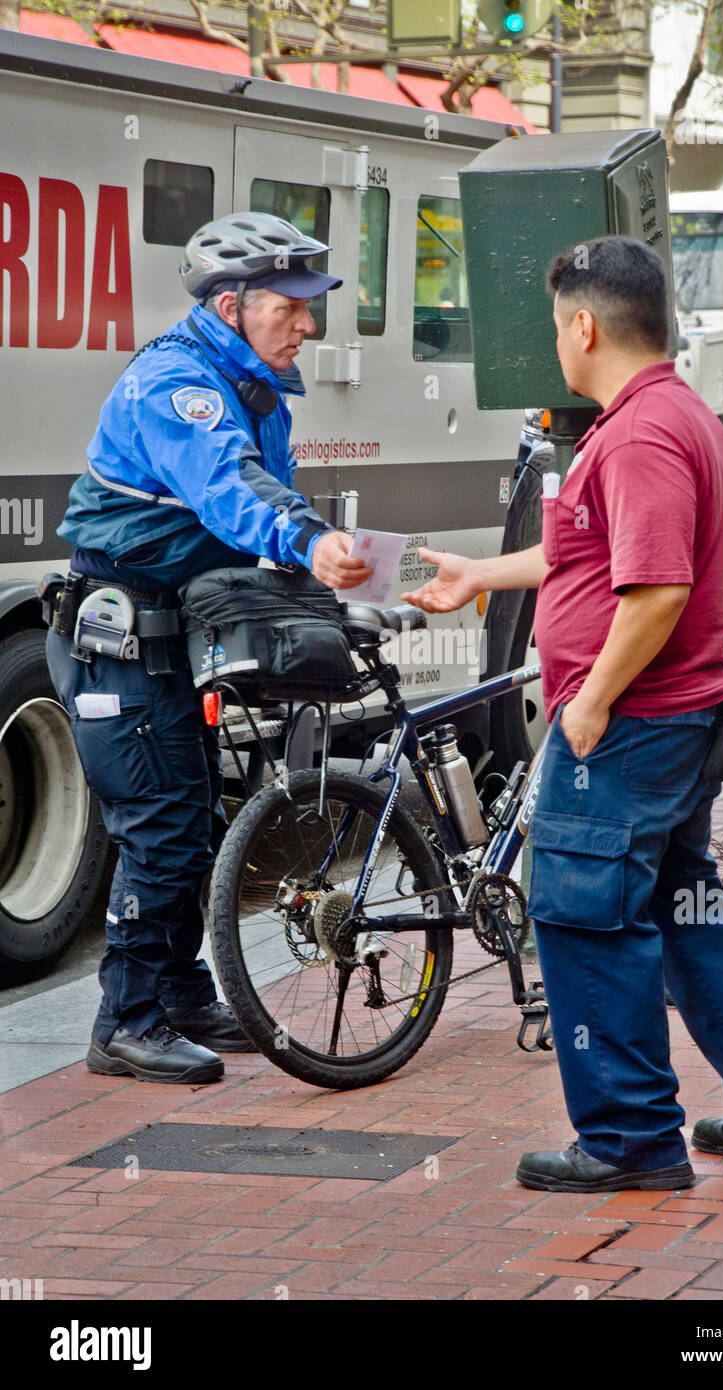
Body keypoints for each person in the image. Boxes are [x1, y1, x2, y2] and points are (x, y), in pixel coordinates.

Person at [403, 235, 723, 1193]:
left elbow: (655, 590)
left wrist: (592, 699)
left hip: (630, 724)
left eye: (556, 328)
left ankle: (629, 1140)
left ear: (584, 325)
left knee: (585, 916)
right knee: (684, 910)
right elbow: (588, 558)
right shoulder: (660, 415)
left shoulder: (641, 433)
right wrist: (480, 572)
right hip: (672, 721)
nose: (555, 346)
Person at [44, 212, 373, 1086]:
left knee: (189, 816)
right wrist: (309, 541)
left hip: (166, 636)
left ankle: (181, 994)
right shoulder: (178, 386)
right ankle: (126, 1024)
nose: (308, 324)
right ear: (231, 307)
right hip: (118, 640)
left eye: (312, 308)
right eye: (291, 307)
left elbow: (259, 497)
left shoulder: (255, 388)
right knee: (158, 827)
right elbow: (229, 490)